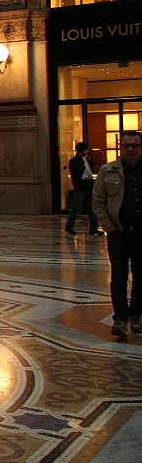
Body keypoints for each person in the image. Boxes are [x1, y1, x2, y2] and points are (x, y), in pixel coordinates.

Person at [93, 130, 142, 339]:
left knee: (140, 276)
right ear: (121, 147)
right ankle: (120, 318)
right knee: (119, 275)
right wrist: (109, 226)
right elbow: (97, 201)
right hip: (118, 233)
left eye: (134, 145)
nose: (130, 149)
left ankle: (136, 314)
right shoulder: (108, 170)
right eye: (126, 145)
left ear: (140, 147)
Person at [66, 142, 102, 235]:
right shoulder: (74, 161)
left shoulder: (87, 160)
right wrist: (83, 161)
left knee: (92, 208)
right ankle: (69, 226)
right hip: (80, 187)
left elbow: (90, 171)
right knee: (77, 207)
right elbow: (78, 173)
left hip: (89, 186)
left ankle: (94, 227)